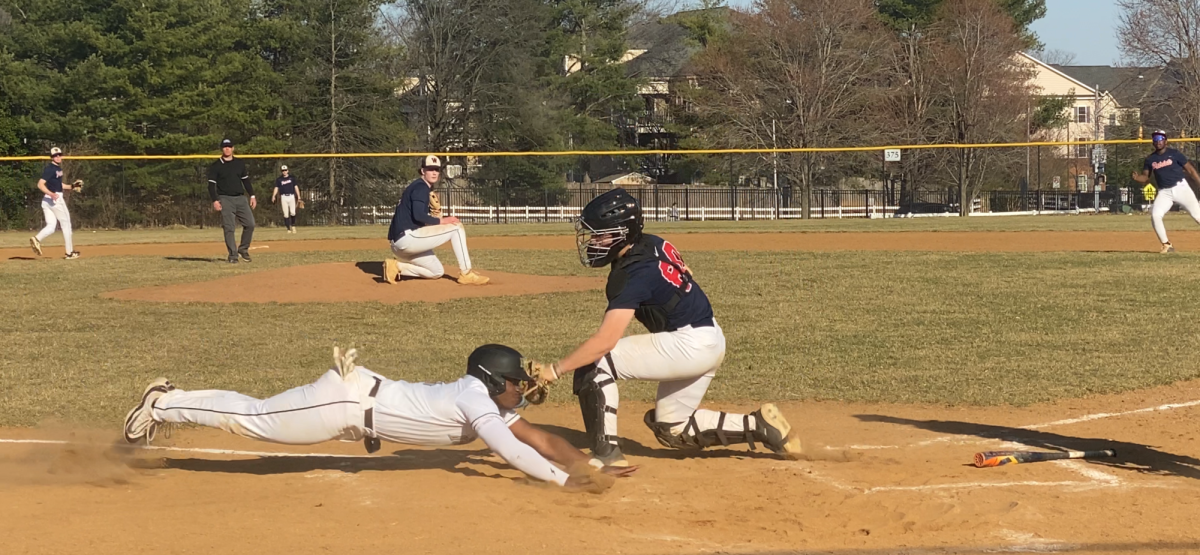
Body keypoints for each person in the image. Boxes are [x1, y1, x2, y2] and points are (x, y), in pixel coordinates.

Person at [529, 188, 802, 467]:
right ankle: (759, 425)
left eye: (602, 234)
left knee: (596, 362)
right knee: (673, 427)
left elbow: (605, 341)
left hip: (688, 343)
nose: (594, 242)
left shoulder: (630, 274)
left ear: (624, 232)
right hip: (709, 337)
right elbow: (687, 271)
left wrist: (555, 370)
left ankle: (606, 455)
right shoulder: (653, 243)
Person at [122, 344, 638, 489]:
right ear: (491, 382)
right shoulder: (477, 401)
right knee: (257, 419)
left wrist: (588, 469)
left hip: (356, 404)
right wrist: (562, 483)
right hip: (345, 403)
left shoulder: (487, 402)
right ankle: (163, 403)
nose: (521, 390)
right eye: (514, 383)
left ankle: (170, 400)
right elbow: (513, 452)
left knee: (257, 417)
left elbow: (539, 439)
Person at [384, 155, 489, 285]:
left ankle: (396, 267)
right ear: (423, 171)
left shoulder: (416, 186)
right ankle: (466, 273)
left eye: (436, 169)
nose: (434, 172)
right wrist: (442, 220)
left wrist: (435, 217)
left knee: (436, 272)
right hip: (407, 239)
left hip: (400, 243)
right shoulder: (421, 187)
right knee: (456, 227)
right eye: (430, 169)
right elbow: (418, 216)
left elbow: (416, 217)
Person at [1131, 129, 1200, 253]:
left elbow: (1190, 170)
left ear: (1165, 141)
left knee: (1197, 215)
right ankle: (1167, 245)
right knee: (1155, 215)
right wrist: (1137, 178)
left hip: (1181, 188)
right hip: (1164, 192)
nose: (1157, 141)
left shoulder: (1174, 154)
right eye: (1155, 139)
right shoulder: (1150, 159)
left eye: (1160, 138)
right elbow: (1146, 177)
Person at [208, 139, 256, 264]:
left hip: (240, 198)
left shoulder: (239, 163)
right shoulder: (216, 166)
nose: (227, 149)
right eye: (224, 147)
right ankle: (233, 255)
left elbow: (246, 181)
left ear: (233, 148)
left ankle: (243, 249)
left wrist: (252, 195)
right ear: (221, 149)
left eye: (229, 146)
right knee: (229, 228)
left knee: (250, 224)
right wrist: (215, 200)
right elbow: (211, 185)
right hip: (225, 199)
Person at [29, 147, 81, 259]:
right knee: (66, 224)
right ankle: (69, 253)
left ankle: (37, 239)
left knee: (51, 226)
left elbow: (60, 185)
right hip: (54, 198)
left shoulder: (57, 169)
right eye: (55, 155)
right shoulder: (50, 169)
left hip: (47, 200)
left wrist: (72, 186)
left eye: (59, 155)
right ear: (52, 157)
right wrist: (51, 194)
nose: (58, 157)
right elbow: (40, 184)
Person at [271, 165, 301, 234]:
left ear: (288, 170)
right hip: (283, 197)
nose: (284, 172)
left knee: (293, 212)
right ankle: (288, 229)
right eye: (283, 171)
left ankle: (293, 226)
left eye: (285, 170)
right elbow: (276, 188)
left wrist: (299, 196)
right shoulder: (279, 179)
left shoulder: (292, 178)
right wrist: (273, 196)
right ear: (281, 171)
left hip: (291, 196)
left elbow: (296, 187)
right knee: (286, 214)